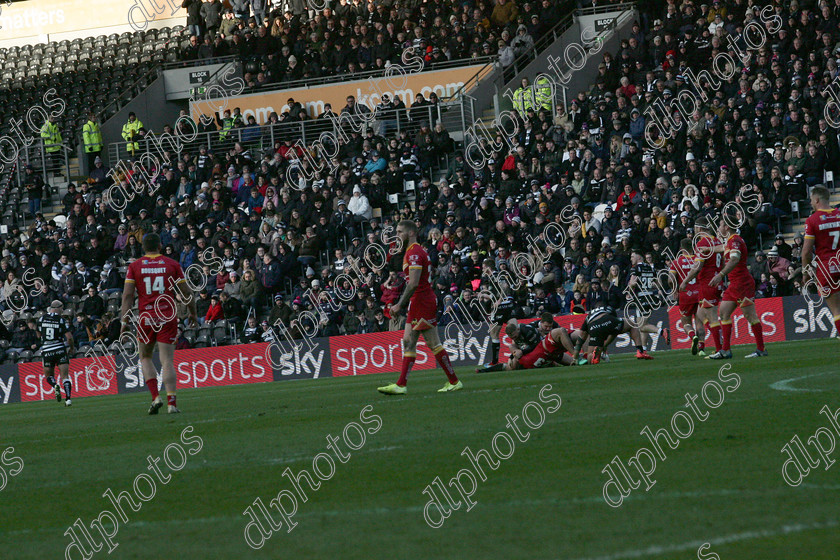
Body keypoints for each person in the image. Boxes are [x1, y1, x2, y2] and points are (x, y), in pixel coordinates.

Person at [378, 220, 462, 394]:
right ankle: (402, 385)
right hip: (419, 300)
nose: (398, 235)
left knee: (430, 343)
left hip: (422, 300)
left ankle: (451, 381)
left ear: (410, 233)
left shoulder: (414, 252)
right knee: (409, 342)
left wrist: (399, 305)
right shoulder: (412, 251)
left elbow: (414, 283)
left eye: (400, 231)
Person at [121, 233, 198, 414]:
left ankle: (156, 397)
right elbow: (186, 291)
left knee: (145, 357)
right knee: (167, 360)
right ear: (160, 246)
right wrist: (193, 312)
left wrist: (124, 320)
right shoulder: (172, 264)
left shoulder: (135, 266)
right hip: (167, 315)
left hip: (146, 317)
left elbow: (127, 296)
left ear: (143, 247)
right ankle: (172, 403)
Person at [707, 211, 767, 359]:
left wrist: (720, 275)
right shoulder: (731, 241)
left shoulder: (735, 241)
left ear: (727, 226)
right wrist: (708, 249)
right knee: (723, 313)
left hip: (742, 283)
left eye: (721, 225)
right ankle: (725, 350)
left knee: (750, 316)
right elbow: (721, 248)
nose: (719, 227)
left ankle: (761, 349)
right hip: (735, 284)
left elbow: (734, 259)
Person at [680, 216, 724, 356]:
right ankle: (720, 341)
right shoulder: (717, 241)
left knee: (711, 317)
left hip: (707, 283)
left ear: (699, 228)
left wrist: (685, 280)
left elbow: (698, 266)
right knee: (700, 314)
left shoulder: (702, 243)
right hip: (717, 281)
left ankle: (720, 348)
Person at [802, 185, 840, 335]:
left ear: (816, 199)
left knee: (836, 309)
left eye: (811, 199)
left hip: (826, 268)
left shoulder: (812, 220)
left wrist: (805, 273)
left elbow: (806, 252)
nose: (811, 202)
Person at [573, 304, 654, 363]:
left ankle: (594, 357)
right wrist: (606, 345)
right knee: (632, 324)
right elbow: (615, 331)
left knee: (590, 354)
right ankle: (640, 351)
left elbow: (581, 336)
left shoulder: (588, 317)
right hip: (607, 320)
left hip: (594, 327)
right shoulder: (607, 308)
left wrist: (575, 356)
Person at [626, 249, 670, 349]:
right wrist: (653, 287)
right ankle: (644, 349)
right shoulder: (650, 267)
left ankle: (661, 331)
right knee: (645, 325)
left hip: (640, 298)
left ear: (639, 257)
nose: (631, 259)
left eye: (633, 256)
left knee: (641, 326)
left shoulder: (635, 269)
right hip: (650, 298)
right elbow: (659, 283)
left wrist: (630, 289)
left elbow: (632, 283)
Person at [669, 238, 705, 355]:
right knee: (699, 322)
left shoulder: (676, 262)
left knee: (686, 323)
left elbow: (670, 279)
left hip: (685, 295)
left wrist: (674, 290)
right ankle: (701, 349)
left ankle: (692, 335)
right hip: (699, 293)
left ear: (681, 249)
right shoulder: (698, 259)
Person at [38, 300, 75, 406]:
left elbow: (37, 333)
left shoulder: (42, 318)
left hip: (47, 350)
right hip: (59, 349)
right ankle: (68, 399)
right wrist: (71, 348)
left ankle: (54, 386)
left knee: (49, 375)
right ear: (58, 308)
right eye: (62, 308)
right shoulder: (61, 320)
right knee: (65, 376)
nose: (63, 310)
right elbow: (69, 338)